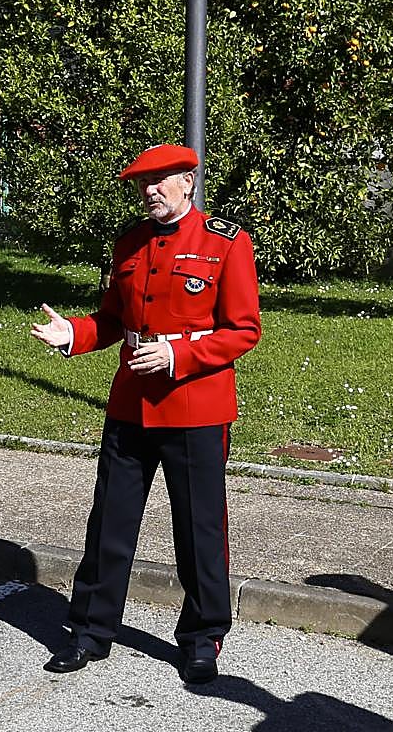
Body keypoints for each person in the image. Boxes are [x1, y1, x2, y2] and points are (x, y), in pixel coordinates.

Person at [30, 144, 260, 685]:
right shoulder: (129, 244)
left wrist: (179, 355)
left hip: (196, 407)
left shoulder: (226, 243)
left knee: (199, 528)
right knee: (110, 522)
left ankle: (204, 637)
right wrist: (74, 335)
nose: (150, 191)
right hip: (131, 403)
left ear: (188, 182)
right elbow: (111, 319)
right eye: (143, 184)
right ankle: (90, 632)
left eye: (160, 181)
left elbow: (243, 330)